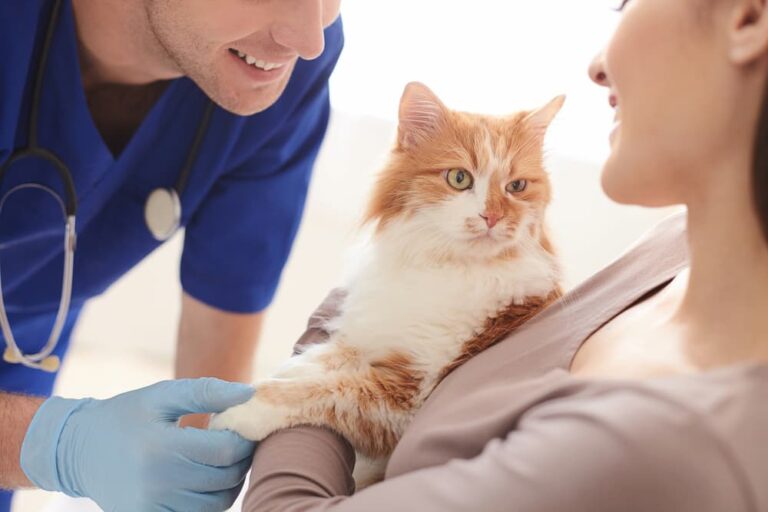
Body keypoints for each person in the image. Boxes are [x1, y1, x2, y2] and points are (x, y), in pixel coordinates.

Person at [240, 0, 768, 510]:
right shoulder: (671, 247)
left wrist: (314, 358)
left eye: (624, 3)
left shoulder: (647, 444)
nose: (595, 68)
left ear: (749, 17)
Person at [0, 0, 343, 510]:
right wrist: (56, 444)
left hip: (20, 346)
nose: (308, 35)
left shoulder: (279, 71)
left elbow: (210, 382)